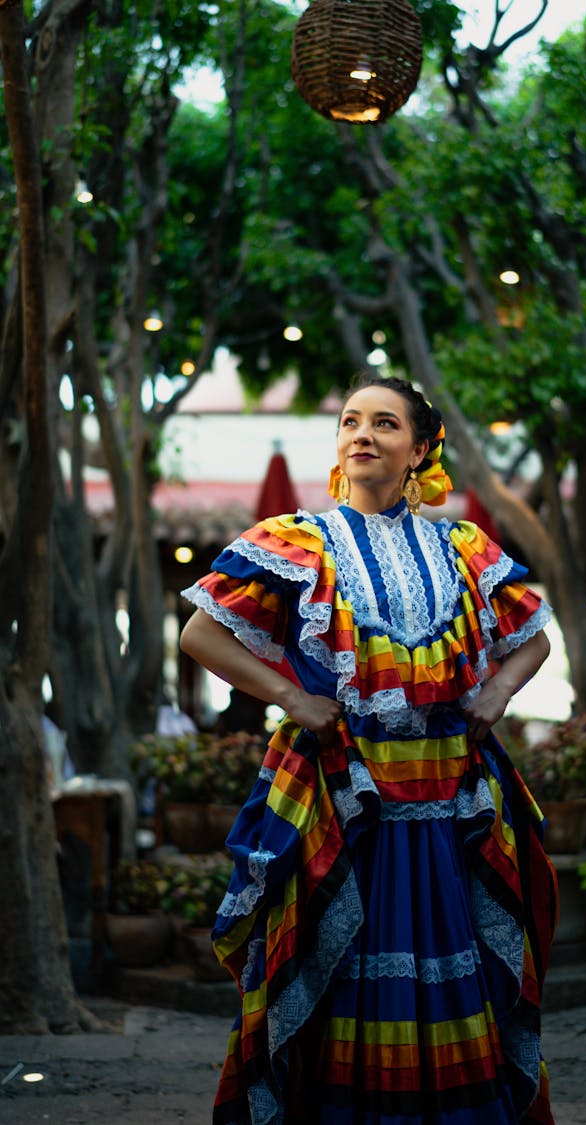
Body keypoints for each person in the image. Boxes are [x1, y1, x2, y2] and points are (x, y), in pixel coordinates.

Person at [180, 376, 559, 1125]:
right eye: (351, 420)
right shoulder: (296, 540)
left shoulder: (464, 546)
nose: (363, 433)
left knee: (458, 970)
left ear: (420, 450)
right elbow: (199, 634)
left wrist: (496, 692)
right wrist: (291, 696)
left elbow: (535, 637)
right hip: (341, 802)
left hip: (449, 807)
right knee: (338, 964)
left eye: (386, 424)